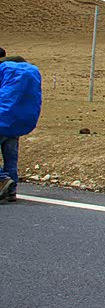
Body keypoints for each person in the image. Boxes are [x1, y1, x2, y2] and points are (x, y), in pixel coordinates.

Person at [0, 47, 43, 202]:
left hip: (2, 117)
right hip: (18, 121)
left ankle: (2, 180)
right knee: (11, 156)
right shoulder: (29, 70)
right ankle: (11, 191)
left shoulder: (2, 69)